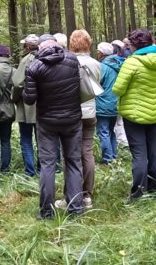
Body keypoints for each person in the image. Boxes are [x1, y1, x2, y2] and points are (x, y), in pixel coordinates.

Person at [24, 39, 84, 218]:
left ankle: (46, 211)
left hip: (47, 121)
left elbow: (29, 99)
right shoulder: (73, 60)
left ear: (41, 48)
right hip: (72, 119)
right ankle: (75, 208)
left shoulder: (34, 67)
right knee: (73, 162)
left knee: (48, 164)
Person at [113, 29, 156, 201]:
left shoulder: (132, 62)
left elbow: (118, 89)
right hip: (155, 111)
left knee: (139, 154)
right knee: (153, 151)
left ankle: (138, 193)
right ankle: (155, 188)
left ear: (134, 44)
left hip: (134, 114)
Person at [65, 29, 100, 210]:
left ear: (72, 43)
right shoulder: (96, 64)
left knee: (71, 154)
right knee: (87, 152)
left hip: (72, 113)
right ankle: (87, 194)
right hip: (90, 113)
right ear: (88, 43)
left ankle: (72, 193)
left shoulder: (68, 62)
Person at [13, 34, 40, 176]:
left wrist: (14, 98)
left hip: (27, 106)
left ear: (28, 47)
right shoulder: (45, 58)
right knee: (42, 139)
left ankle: (30, 171)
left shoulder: (26, 60)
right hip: (43, 106)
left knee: (26, 139)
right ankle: (44, 168)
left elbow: (17, 83)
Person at [95, 42, 122, 163]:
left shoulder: (102, 67)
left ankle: (107, 159)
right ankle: (114, 155)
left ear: (101, 53)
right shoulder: (120, 64)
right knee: (111, 131)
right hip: (116, 103)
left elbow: (95, 84)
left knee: (104, 132)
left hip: (103, 104)